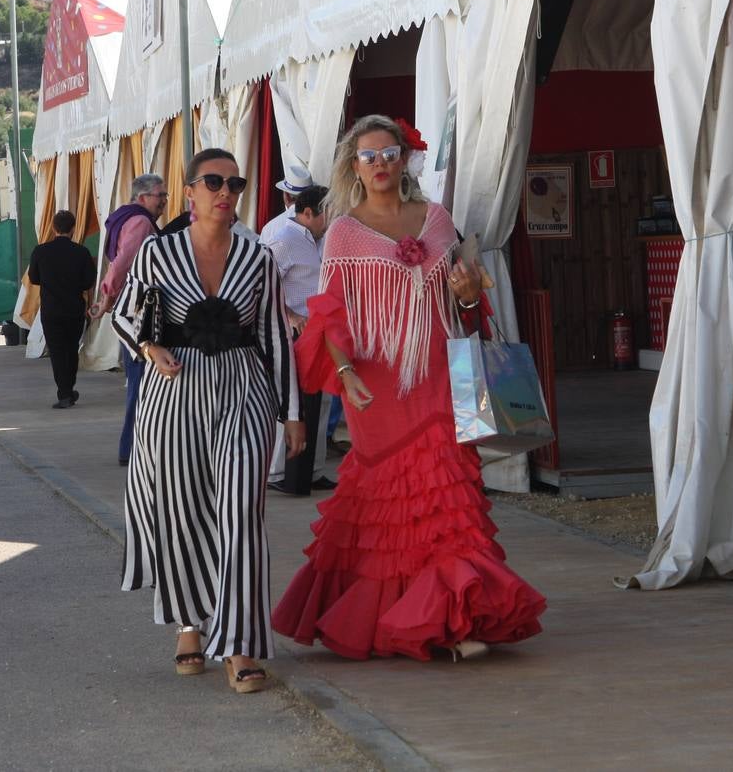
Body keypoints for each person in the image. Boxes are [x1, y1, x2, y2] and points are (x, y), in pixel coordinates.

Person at [272, 114, 546, 662]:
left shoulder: (437, 220)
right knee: (387, 504)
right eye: (368, 156)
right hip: (375, 382)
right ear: (354, 165)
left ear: (405, 159)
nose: (380, 164)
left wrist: (468, 294)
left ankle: (456, 614)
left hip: (437, 373)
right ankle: (391, 615)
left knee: (447, 497)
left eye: (389, 153)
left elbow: (467, 310)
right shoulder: (344, 232)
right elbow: (328, 315)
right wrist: (345, 372)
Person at [112, 147, 305, 693]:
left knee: (241, 512)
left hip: (244, 390)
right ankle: (191, 624)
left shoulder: (258, 259)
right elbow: (126, 313)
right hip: (173, 394)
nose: (226, 192)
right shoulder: (156, 252)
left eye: (235, 184)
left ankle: (239, 643)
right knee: (183, 511)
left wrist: (292, 412)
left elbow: (273, 335)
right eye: (213, 182)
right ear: (190, 192)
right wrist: (149, 349)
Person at [261, 183, 333, 496]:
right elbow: (263, 283)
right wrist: (290, 316)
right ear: (307, 213)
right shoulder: (284, 239)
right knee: (291, 402)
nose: (331, 220)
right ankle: (277, 470)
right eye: (326, 214)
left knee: (323, 401)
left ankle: (313, 469)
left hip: (321, 331)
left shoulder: (320, 238)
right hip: (294, 334)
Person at [93, 174, 167, 465]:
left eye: (165, 195)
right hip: (139, 312)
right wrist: (107, 296)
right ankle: (132, 448)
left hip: (130, 308)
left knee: (140, 380)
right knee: (141, 381)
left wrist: (108, 299)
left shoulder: (125, 218)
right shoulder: (140, 222)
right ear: (142, 198)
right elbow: (123, 263)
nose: (163, 201)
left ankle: (135, 447)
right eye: (159, 195)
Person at [27, 210, 97, 409]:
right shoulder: (81, 252)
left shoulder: (40, 251)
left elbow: (34, 278)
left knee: (57, 352)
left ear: (53, 228)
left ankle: (64, 392)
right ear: (74, 228)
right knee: (71, 349)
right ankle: (68, 388)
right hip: (74, 309)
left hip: (51, 310)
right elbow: (87, 282)